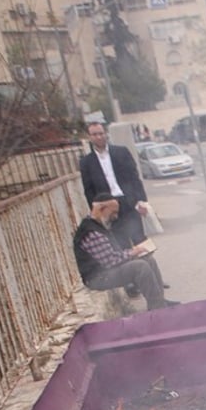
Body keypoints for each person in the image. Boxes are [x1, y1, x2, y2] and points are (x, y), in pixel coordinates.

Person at [73, 193, 176, 311]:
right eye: (113, 212)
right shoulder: (92, 232)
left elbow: (111, 255)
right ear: (102, 209)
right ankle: (157, 308)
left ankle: (159, 301)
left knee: (149, 260)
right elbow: (110, 262)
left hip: (105, 271)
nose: (116, 216)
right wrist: (132, 253)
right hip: (97, 278)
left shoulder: (98, 225)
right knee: (140, 266)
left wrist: (134, 252)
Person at [79, 121, 150, 249]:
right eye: (94, 134)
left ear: (106, 134)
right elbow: (88, 190)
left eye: (101, 133)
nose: (99, 137)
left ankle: (149, 268)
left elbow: (134, 178)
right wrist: (97, 212)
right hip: (108, 207)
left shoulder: (121, 152)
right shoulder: (86, 162)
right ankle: (133, 269)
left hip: (128, 202)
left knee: (141, 241)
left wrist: (141, 201)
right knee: (121, 245)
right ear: (89, 137)